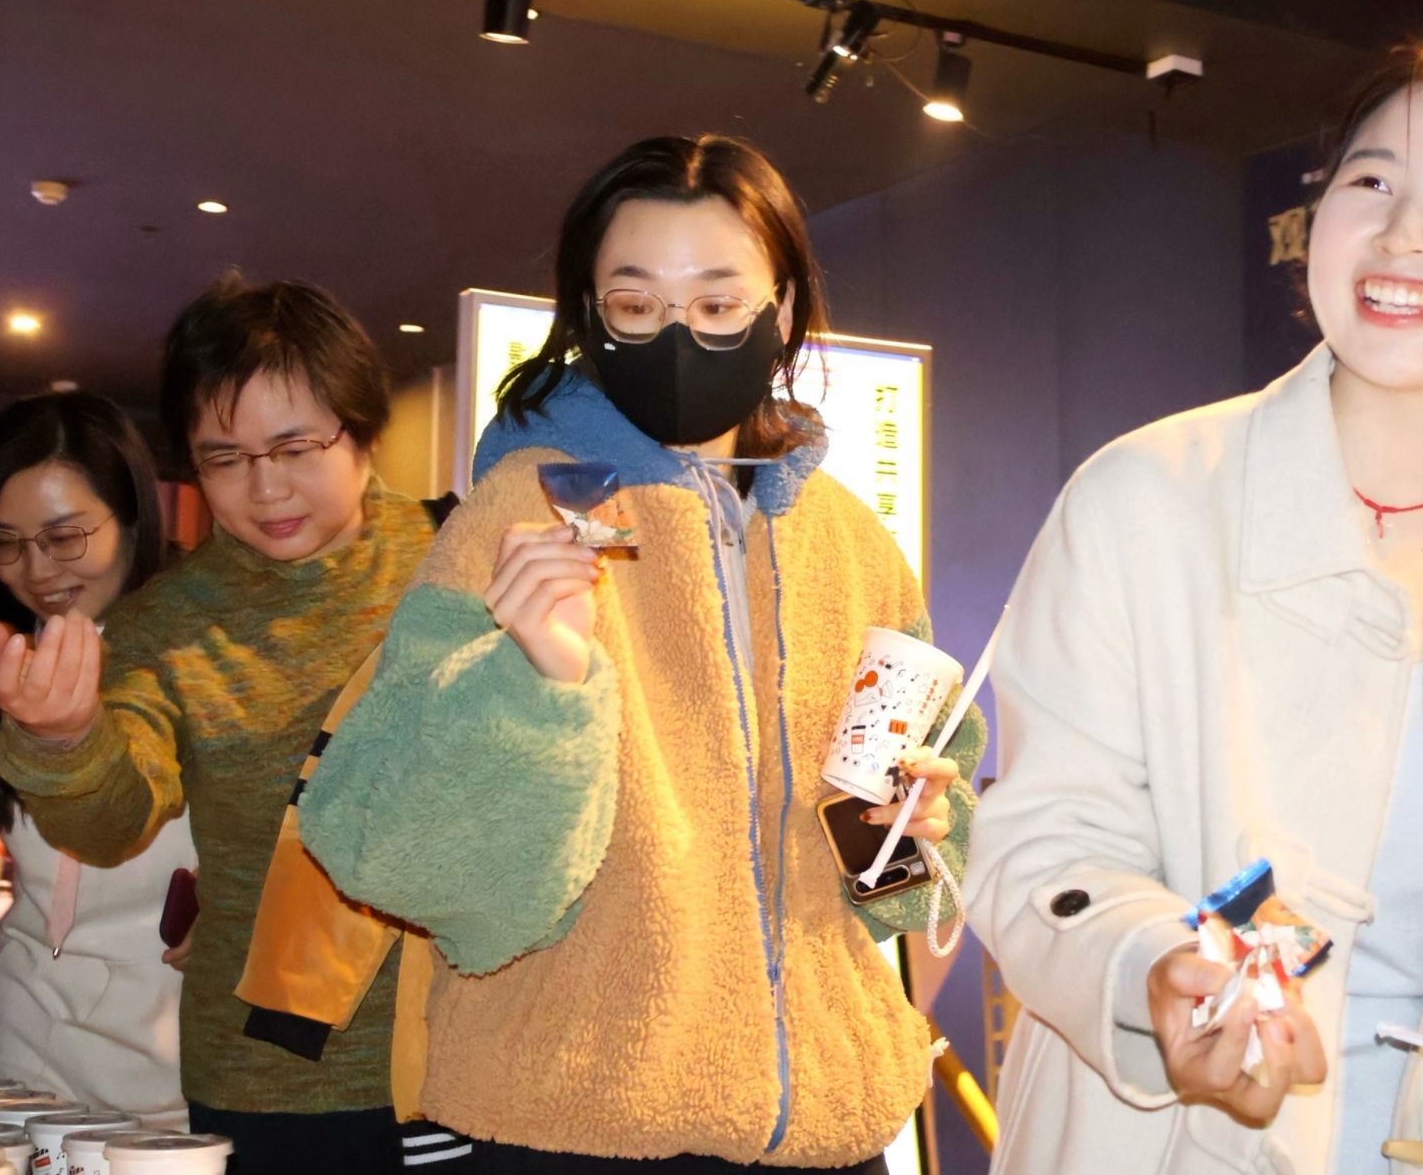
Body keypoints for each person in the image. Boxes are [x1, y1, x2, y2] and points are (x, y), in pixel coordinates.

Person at [967, 20, 1423, 1175]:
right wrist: (1150, 968)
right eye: (1368, 181)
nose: (1401, 230)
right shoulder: (1142, 499)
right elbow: (1041, 842)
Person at [297, 135, 984, 1174]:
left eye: (718, 303)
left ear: (783, 309)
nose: (676, 336)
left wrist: (910, 832)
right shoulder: (523, 512)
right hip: (570, 1120)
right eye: (634, 304)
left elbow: (899, 884)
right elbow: (385, 847)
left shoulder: (850, 540)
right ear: (588, 314)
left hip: (826, 1127)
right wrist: (532, 687)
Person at [0, 280, 435, 1175]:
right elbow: (116, 819)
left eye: (296, 447)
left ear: (362, 430)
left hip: (471, 1050)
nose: (265, 487)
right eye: (224, 458)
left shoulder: (459, 565)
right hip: (270, 1078)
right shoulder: (168, 625)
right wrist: (65, 739)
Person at [0, 392, 194, 1111]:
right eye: (7, 543)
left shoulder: (205, 668)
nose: (37, 569)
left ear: (133, 519)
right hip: (22, 1087)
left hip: (181, 1098)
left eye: (65, 536)